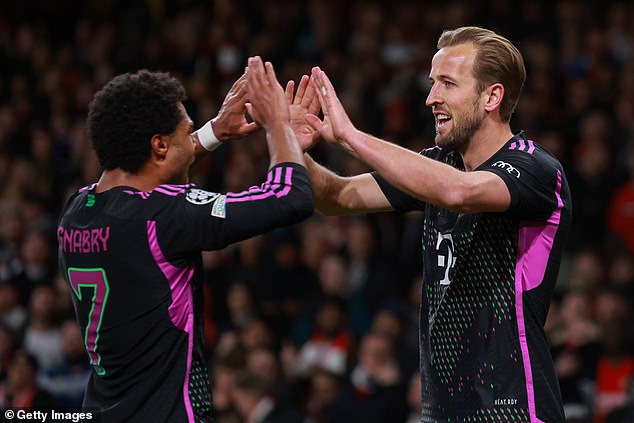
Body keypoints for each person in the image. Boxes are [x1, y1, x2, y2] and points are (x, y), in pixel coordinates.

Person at [288, 26, 571, 422]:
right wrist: (290, 144)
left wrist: (351, 138)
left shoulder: (535, 167)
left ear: (492, 96)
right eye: (432, 83)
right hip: (442, 409)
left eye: (448, 84)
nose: (430, 98)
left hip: (513, 407)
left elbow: (462, 193)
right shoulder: (438, 165)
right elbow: (335, 197)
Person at [57, 57, 313, 422]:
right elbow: (289, 197)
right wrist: (278, 124)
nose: (191, 136)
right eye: (186, 130)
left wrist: (214, 132)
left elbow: (149, 171)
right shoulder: (165, 216)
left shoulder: (76, 210)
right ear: (160, 145)